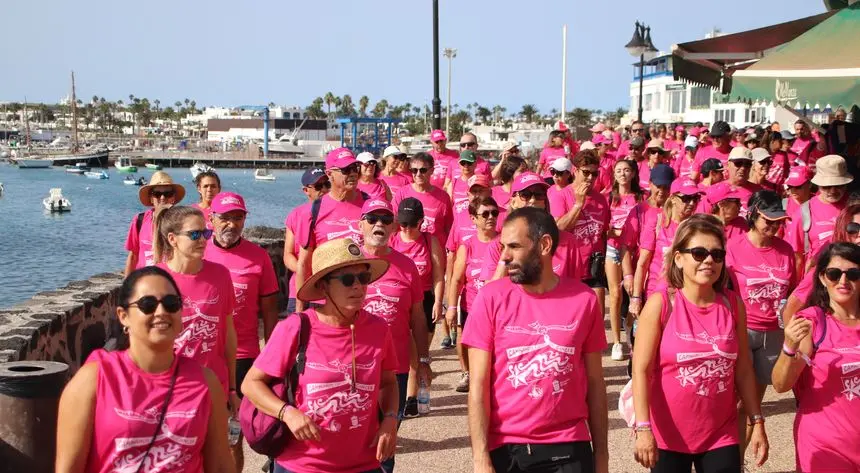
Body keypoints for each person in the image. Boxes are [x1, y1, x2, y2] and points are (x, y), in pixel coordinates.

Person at [463, 207, 609, 473]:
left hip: (570, 448)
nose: (504, 256)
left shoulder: (584, 300)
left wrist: (602, 457)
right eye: (503, 246)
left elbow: (596, 383)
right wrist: (480, 459)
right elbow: (478, 385)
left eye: (514, 247)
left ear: (544, 245)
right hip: (508, 450)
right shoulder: (490, 298)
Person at [242, 238, 400, 473]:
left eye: (363, 278)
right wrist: (288, 413)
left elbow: (388, 383)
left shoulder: (378, 329)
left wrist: (389, 420)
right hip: (302, 465)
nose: (358, 286)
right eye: (348, 280)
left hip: (365, 464)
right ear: (324, 286)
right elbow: (251, 384)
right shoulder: (295, 328)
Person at [55, 267, 234, 473]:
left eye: (171, 303)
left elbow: (220, 465)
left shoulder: (205, 382)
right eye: (147, 305)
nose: (161, 312)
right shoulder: (94, 379)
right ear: (123, 316)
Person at [632, 215, 769, 472]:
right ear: (679, 258)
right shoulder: (661, 304)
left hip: (721, 434)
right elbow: (641, 370)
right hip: (668, 435)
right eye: (698, 253)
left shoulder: (732, 305)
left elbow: (743, 369)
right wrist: (643, 428)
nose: (709, 260)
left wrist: (757, 421)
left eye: (717, 255)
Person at [204, 192, 279, 471]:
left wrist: (274, 355)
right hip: (204, 355)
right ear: (211, 219)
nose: (231, 225)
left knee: (233, 432)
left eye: (237, 218)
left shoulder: (258, 257)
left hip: (244, 355)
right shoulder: (198, 254)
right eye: (224, 218)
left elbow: (270, 309)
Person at [772, 242, 860, 472]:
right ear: (822, 278)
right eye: (834, 274)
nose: (843, 281)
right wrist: (789, 347)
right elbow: (781, 384)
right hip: (827, 444)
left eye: (853, 273)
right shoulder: (812, 322)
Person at [358, 198, 432, 470]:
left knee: (387, 438)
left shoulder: (406, 265)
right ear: (361, 223)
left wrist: (423, 361)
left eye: (386, 220)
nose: (379, 224)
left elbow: (418, 317)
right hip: (356, 367)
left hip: (396, 368)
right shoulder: (347, 261)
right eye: (373, 218)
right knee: (356, 438)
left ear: (394, 227)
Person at [725, 191, 794, 458]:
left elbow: (792, 291)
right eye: (769, 220)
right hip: (741, 330)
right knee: (731, 402)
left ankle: (737, 463)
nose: (774, 226)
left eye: (778, 221)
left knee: (751, 404)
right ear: (753, 214)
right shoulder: (733, 247)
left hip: (772, 333)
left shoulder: (785, 250)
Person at [153, 205, 238, 410]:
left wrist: (233, 389)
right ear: (172, 239)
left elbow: (228, 334)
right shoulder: (154, 280)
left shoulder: (220, 275)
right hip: (170, 389)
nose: (202, 240)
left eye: (206, 233)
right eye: (194, 234)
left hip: (214, 384)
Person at [390, 197, 446, 415]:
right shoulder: (393, 240)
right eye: (403, 224)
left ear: (421, 222)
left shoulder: (429, 241)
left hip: (424, 298)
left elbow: (439, 275)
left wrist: (439, 302)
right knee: (404, 350)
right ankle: (406, 397)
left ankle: (412, 396)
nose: (407, 228)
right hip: (400, 299)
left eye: (412, 224)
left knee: (418, 351)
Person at [295, 148, 368, 312]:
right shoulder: (313, 211)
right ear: (329, 174)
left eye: (355, 168)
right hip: (326, 301)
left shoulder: (370, 205)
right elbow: (304, 263)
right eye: (345, 170)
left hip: (364, 297)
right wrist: (300, 310)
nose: (353, 174)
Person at [483, 172, 582, 282]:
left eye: (539, 194)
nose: (533, 200)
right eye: (525, 194)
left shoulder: (568, 242)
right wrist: (506, 256)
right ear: (513, 202)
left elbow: (575, 288)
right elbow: (491, 293)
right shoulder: (497, 245)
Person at [446, 196, 499, 393]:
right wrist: (451, 308)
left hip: (498, 307)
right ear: (473, 218)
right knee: (465, 339)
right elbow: (457, 279)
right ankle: (466, 372)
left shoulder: (505, 243)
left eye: (494, 212)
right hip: (471, 304)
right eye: (485, 214)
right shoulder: (467, 246)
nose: (491, 217)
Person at [630, 178, 701, 316]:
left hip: (686, 296)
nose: (692, 203)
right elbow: (642, 264)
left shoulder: (696, 226)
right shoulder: (657, 222)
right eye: (686, 198)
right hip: (656, 294)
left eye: (695, 198)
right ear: (673, 198)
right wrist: (636, 298)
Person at [781, 204, 860, 322]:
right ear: (842, 229)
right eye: (853, 229)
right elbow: (790, 310)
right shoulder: (827, 267)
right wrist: (791, 340)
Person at [554, 150, 611, 310]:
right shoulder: (562, 196)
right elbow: (559, 228)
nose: (590, 178)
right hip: (569, 267)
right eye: (586, 173)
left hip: (594, 266)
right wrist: (578, 204)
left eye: (595, 174)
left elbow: (603, 234)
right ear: (575, 171)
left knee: (597, 319)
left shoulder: (601, 199)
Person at [786, 155, 852, 276]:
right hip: (817, 281)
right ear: (818, 184)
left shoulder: (854, 206)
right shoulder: (804, 212)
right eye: (827, 186)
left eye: (838, 185)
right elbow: (797, 257)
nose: (833, 191)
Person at [606, 159, 643, 361]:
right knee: (615, 294)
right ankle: (617, 343)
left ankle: (630, 331)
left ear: (633, 173)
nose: (622, 174)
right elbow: (603, 227)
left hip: (633, 250)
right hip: (613, 248)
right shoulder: (609, 197)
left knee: (633, 293)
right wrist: (613, 231)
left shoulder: (640, 197)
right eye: (618, 170)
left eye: (626, 170)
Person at [283, 168, 330, 314]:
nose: (323, 189)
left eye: (326, 184)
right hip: (299, 287)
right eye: (318, 186)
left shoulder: (335, 212)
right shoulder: (296, 214)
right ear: (306, 190)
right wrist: (303, 270)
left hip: (327, 291)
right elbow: (288, 254)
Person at [124, 171, 186, 276]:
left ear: (173, 197)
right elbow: (133, 256)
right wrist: (126, 288)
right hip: (143, 283)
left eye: (167, 194)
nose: (162, 198)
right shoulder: (140, 220)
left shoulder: (183, 221)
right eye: (157, 194)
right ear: (151, 198)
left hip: (172, 283)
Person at [391, 152, 453, 246]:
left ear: (432, 170)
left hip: (435, 251)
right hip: (409, 250)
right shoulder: (402, 193)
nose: (418, 174)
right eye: (414, 170)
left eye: (423, 170)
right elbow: (393, 224)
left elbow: (448, 228)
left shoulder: (443, 197)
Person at [703, 147, 763, 218]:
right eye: (738, 163)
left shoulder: (759, 192)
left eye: (747, 164)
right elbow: (701, 222)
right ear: (728, 165)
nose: (743, 168)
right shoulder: (714, 191)